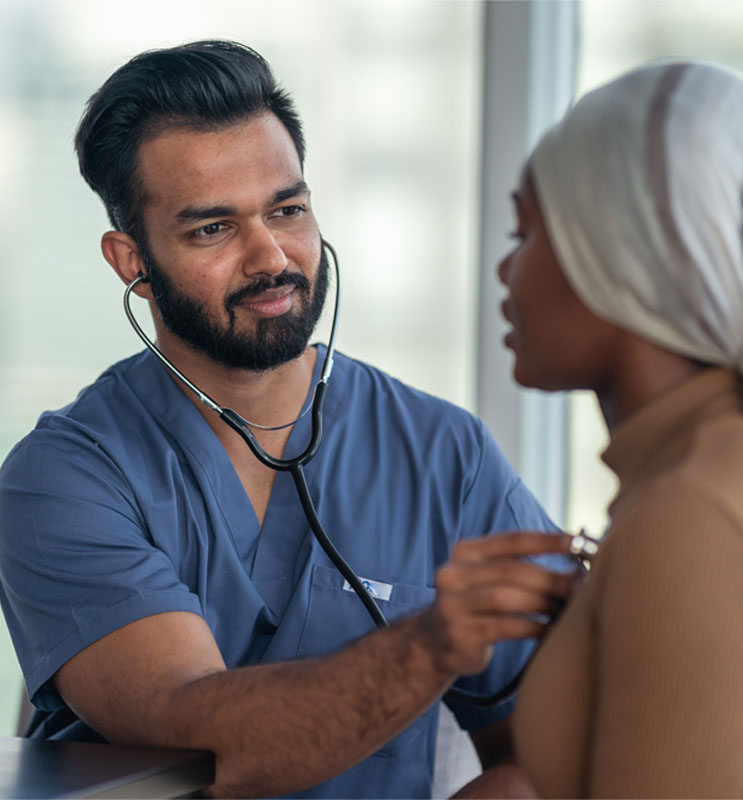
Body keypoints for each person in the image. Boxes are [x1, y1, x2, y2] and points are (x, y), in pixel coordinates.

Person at [0, 40, 578, 799]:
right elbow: (201, 741)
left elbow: (550, 748)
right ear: (131, 261)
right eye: (213, 228)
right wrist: (431, 642)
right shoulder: (63, 479)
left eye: (288, 210)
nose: (271, 256)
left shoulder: (443, 454)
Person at [499, 60, 743, 798]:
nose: (506, 269)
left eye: (527, 230)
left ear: (616, 258)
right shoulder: (715, 471)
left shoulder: (691, 515)